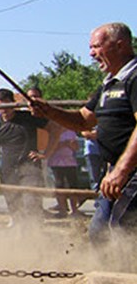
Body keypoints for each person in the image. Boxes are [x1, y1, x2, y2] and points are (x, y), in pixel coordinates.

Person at [30, 22, 137, 240]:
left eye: (97, 46)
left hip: (129, 172)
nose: (91, 53)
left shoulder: (134, 79)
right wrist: (48, 110)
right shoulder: (109, 84)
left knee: (121, 229)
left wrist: (121, 171)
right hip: (117, 172)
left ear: (120, 45)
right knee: (99, 232)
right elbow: (82, 120)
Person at [0, 88, 59, 224]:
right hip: (8, 171)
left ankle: (36, 237)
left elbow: (55, 128)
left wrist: (46, 154)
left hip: (30, 169)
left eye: (8, 105)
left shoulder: (27, 118)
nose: (5, 109)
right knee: (15, 209)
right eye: (1, 105)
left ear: (13, 103)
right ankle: (19, 239)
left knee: (31, 204)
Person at [48, 125, 82, 218]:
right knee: (60, 185)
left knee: (72, 186)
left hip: (70, 162)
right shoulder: (53, 131)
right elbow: (49, 147)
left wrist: (72, 145)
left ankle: (74, 210)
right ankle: (62, 209)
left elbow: (76, 148)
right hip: (56, 162)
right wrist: (63, 144)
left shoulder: (71, 131)